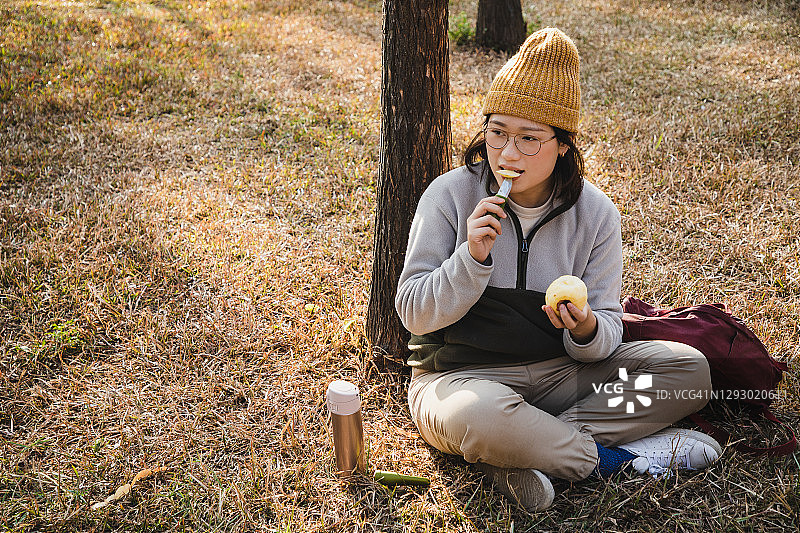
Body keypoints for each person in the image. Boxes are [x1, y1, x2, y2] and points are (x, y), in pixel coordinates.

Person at [394, 27, 722, 512]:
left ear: (563, 145)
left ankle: (522, 453)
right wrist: (471, 259)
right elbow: (412, 314)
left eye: (530, 139)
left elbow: (608, 328)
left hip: (561, 377)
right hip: (462, 379)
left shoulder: (595, 214)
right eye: (497, 132)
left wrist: (587, 328)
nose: (507, 154)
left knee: (688, 371)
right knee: (479, 418)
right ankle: (619, 460)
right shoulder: (449, 195)